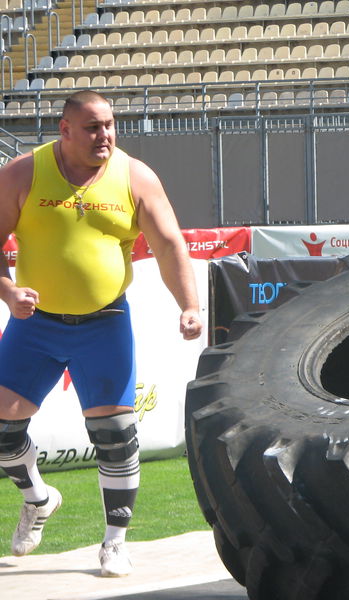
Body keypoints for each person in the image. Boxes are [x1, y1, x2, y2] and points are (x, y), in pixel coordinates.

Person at [0, 91, 202, 577]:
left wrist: (190, 305)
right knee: (2, 433)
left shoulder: (134, 176)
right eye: (92, 127)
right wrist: (7, 291)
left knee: (114, 434)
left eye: (110, 125)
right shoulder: (23, 173)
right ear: (64, 131)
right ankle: (40, 499)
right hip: (36, 325)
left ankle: (115, 541)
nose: (105, 136)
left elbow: (169, 241)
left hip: (105, 323)